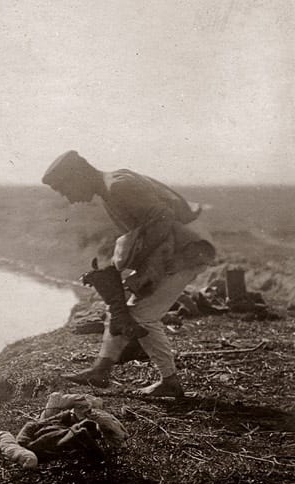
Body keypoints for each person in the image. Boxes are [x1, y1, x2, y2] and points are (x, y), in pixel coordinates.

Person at [42, 151, 216, 397]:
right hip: (174, 248)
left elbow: (163, 220)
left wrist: (146, 272)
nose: (69, 199)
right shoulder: (111, 188)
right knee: (119, 306)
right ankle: (101, 370)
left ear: (78, 175)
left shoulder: (118, 187)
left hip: (187, 250)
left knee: (142, 316)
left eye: (64, 189)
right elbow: (150, 230)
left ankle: (170, 381)